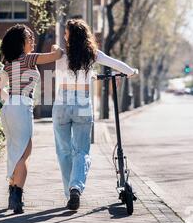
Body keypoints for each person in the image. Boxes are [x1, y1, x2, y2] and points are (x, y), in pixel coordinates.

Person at [53, 18, 138, 211]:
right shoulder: (93, 55)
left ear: (70, 36)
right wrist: (131, 72)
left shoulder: (61, 55)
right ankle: (76, 187)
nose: (64, 35)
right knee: (81, 151)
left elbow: (51, 54)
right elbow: (119, 65)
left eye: (66, 32)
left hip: (62, 103)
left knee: (63, 151)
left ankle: (70, 193)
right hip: (82, 102)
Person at [0, 24, 63, 214]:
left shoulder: (8, 63)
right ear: (21, 42)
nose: (32, 41)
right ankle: (16, 197)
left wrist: (11, 100)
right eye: (29, 38)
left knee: (14, 151)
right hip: (22, 107)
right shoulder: (30, 58)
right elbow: (55, 56)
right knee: (24, 154)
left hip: (8, 109)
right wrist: (57, 48)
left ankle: (11, 193)